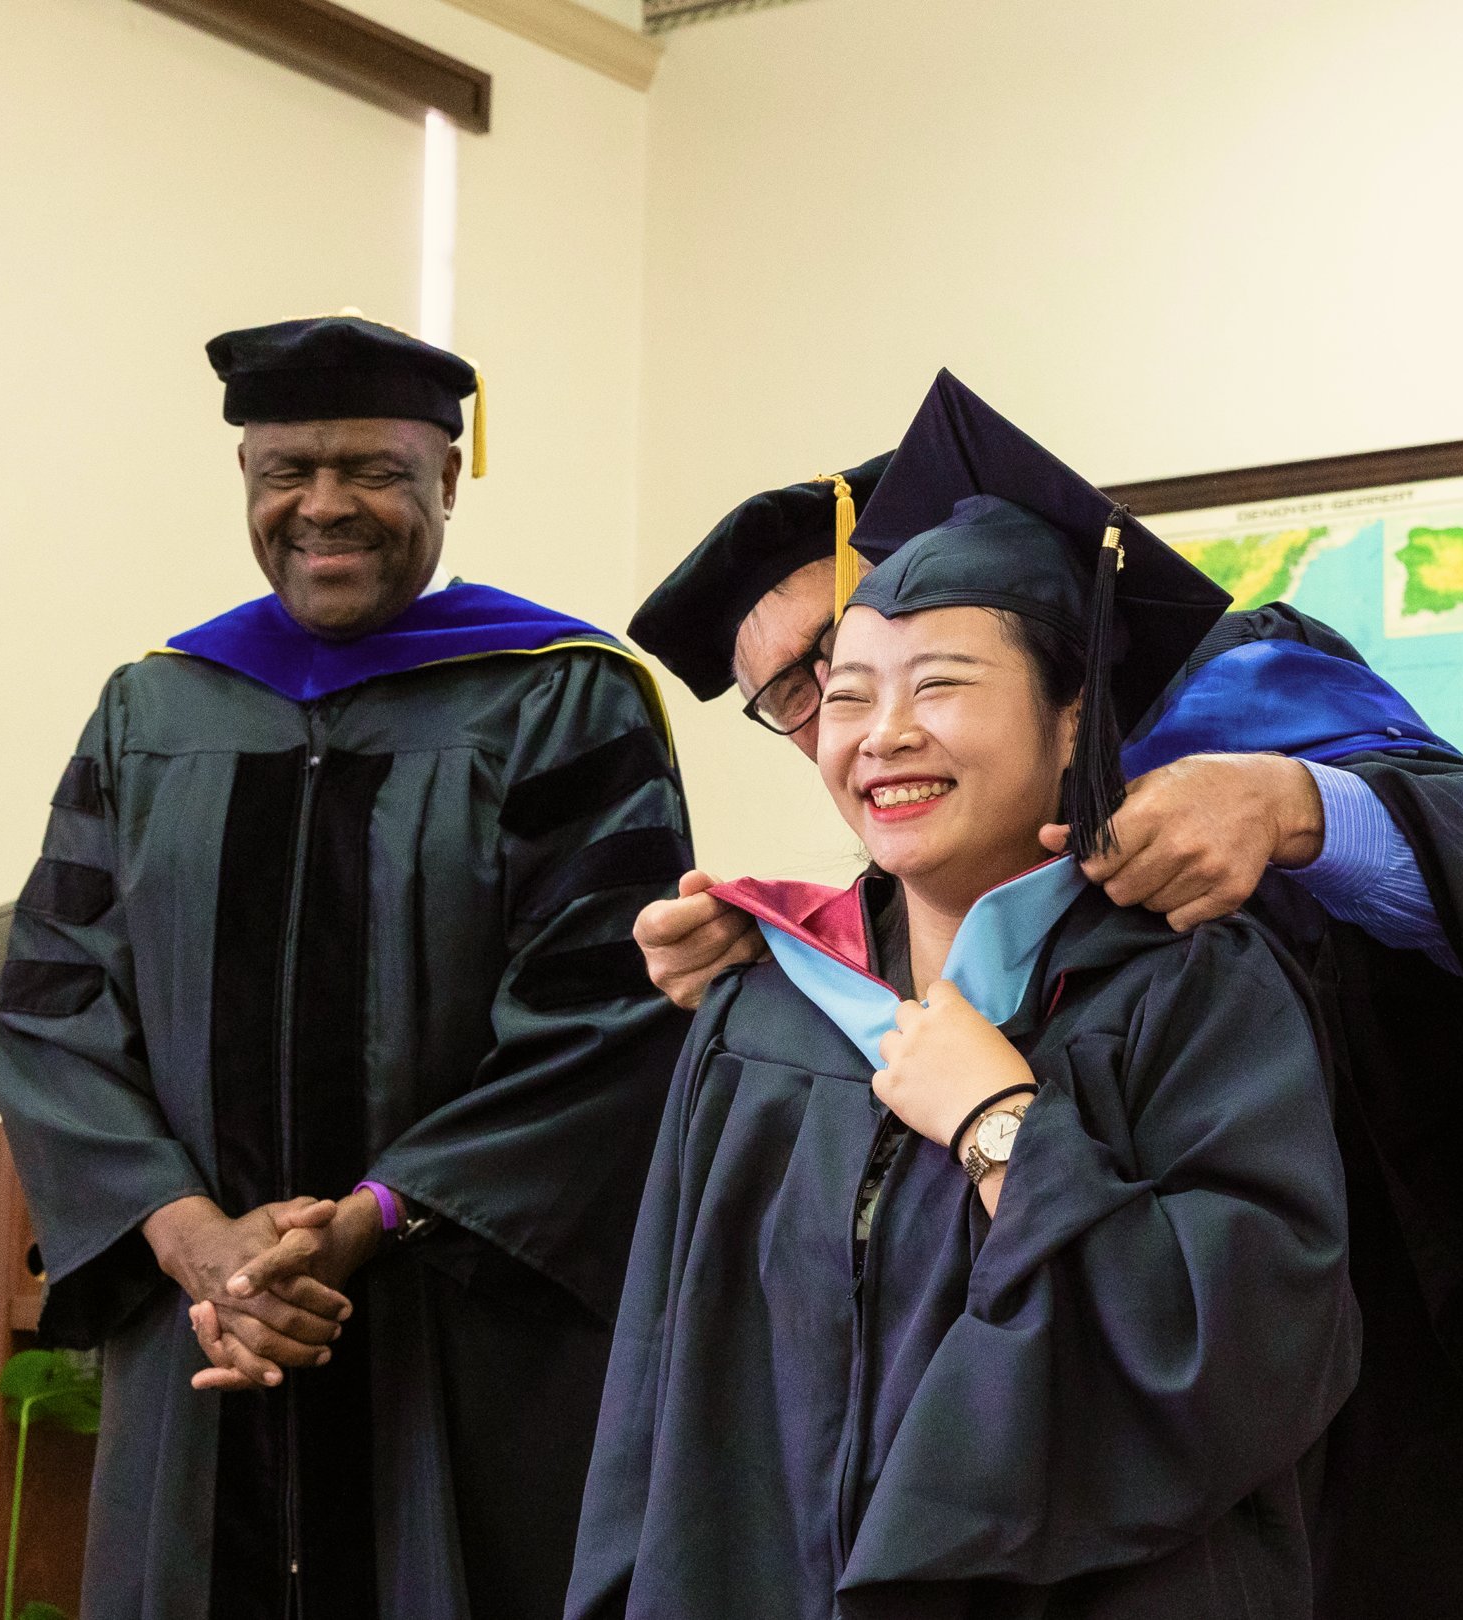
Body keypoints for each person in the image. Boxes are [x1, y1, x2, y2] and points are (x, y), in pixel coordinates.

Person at [625, 372, 1463, 1618]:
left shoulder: (1254, 698)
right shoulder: (973, 867)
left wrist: (1295, 807)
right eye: (800, 695)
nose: (853, 716)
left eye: (874, 649)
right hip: (1198, 1410)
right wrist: (775, 952)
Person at [563, 396, 1360, 1618]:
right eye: (834, 698)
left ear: (1075, 714)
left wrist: (1004, 1129)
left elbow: (1251, 1364)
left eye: (938, 684)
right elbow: (655, 1401)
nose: (880, 736)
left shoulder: (1195, 989)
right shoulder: (767, 1012)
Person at [0, 315, 693, 1620]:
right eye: (285, 470)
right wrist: (194, 1238)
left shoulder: (557, 699)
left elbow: (605, 1019)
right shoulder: (154, 711)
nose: (324, 506)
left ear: (450, 473)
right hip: (203, 1338)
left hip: (457, 1331)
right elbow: (50, 1005)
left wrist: (367, 1218)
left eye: (371, 468)